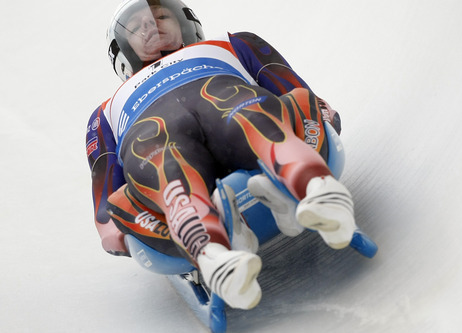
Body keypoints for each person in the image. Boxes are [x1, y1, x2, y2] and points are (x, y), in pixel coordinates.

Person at [86, 0, 355, 310]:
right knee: (161, 162)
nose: (151, 25)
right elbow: (106, 211)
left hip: (227, 99)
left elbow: (299, 93)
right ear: (123, 52)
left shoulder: (235, 44)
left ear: (186, 23)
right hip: (157, 135)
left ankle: (317, 191)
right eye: (137, 27)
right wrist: (119, 230)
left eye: (160, 16)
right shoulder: (104, 114)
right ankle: (214, 254)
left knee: (250, 114)